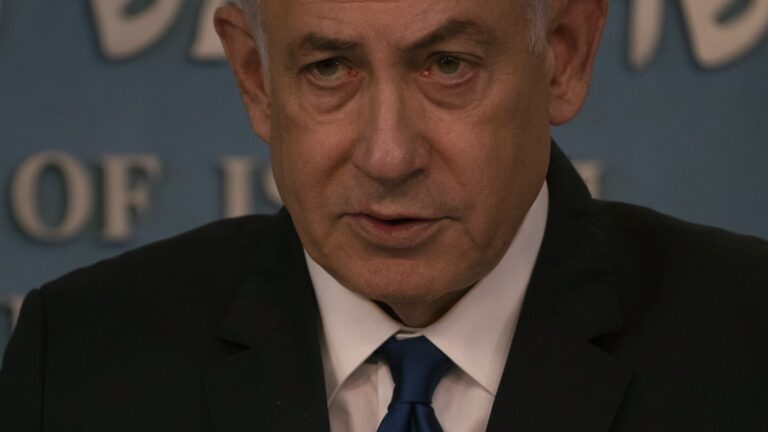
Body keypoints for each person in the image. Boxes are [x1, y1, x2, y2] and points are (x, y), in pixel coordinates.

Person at [1, 0, 766, 430]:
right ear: (255, 77)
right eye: (329, 68)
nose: (389, 155)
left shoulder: (748, 342)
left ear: (562, 56)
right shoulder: (74, 365)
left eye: (448, 67)